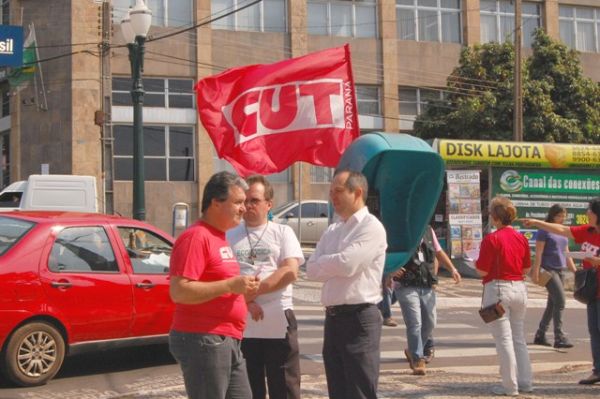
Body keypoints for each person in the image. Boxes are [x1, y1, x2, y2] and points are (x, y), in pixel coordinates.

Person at [168, 171, 261, 399]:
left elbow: (220, 284)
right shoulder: (196, 237)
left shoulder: (219, 237)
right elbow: (179, 291)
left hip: (225, 339)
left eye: (246, 202)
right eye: (238, 202)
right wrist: (230, 285)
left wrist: (242, 291)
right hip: (204, 338)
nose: (244, 208)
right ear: (216, 203)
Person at [306, 169, 387, 399]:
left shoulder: (371, 227)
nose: (333, 197)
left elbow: (348, 264)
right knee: (337, 389)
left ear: (358, 192)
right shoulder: (334, 229)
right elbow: (311, 269)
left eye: (339, 191)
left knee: (360, 390)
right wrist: (333, 261)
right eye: (331, 192)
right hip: (333, 319)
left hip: (359, 318)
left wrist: (327, 260)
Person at [227, 175, 304, 399]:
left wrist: (253, 291)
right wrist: (246, 301)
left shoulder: (282, 233)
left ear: (268, 204)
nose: (247, 206)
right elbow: (224, 276)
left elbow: (290, 271)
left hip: (278, 318)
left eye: (254, 200)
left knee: (284, 386)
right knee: (249, 387)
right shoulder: (230, 234)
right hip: (243, 321)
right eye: (244, 201)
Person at [522, 197, 600, 385]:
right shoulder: (587, 231)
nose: (587, 213)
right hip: (593, 291)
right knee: (594, 330)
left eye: (590, 210)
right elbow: (563, 230)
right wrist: (537, 222)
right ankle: (598, 370)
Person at [476, 196, 532, 396]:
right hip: (520, 288)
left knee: (504, 339)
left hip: (498, 288)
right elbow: (527, 267)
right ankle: (525, 381)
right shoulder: (521, 238)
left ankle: (510, 386)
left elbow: (482, 271)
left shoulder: (492, 239)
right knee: (518, 338)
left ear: (495, 217)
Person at [392, 226, 461, 375]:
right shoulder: (399, 229)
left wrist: (452, 269)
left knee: (430, 322)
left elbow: (438, 252)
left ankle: (412, 350)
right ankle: (418, 359)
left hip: (426, 284)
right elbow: (385, 252)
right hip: (405, 284)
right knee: (415, 322)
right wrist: (390, 270)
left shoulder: (428, 230)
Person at [531, 204, 577, 349]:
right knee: (561, 301)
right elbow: (538, 253)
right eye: (559, 216)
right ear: (552, 215)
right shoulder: (544, 230)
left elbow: (566, 252)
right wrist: (536, 272)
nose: (562, 219)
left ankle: (540, 334)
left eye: (564, 216)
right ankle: (559, 336)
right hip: (548, 270)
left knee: (552, 304)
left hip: (561, 269)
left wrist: (576, 271)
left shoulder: (562, 231)